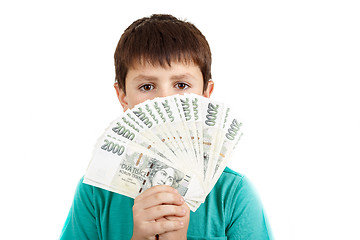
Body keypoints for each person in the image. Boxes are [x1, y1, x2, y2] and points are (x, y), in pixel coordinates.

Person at [60, 14, 273, 239]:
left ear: (205, 95)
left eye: (181, 85)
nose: (165, 100)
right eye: (147, 86)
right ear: (123, 97)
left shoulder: (233, 194)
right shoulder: (95, 191)